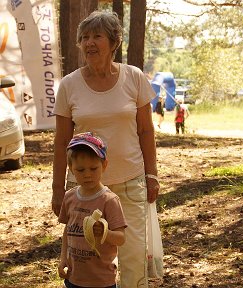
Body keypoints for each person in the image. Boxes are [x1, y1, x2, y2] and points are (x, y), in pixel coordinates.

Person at [52, 11, 160, 288]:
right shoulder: (69, 85)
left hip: (129, 182)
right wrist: (57, 190)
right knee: (88, 263)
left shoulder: (134, 77)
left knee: (133, 259)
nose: (89, 43)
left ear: (113, 42)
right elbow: (62, 142)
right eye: (84, 37)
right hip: (84, 189)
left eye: (97, 36)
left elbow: (146, 131)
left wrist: (152, 175)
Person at [58, 132, 127, 288]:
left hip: (102, 279)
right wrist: (63, 258)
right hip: (74, 278)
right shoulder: (69, 197)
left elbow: (121, 238)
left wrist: (105, 232)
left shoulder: (109, 200)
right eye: (81, 170)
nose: (87, 175)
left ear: (104, 166)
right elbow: (67, 230)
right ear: (71, 168)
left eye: (93, 168)